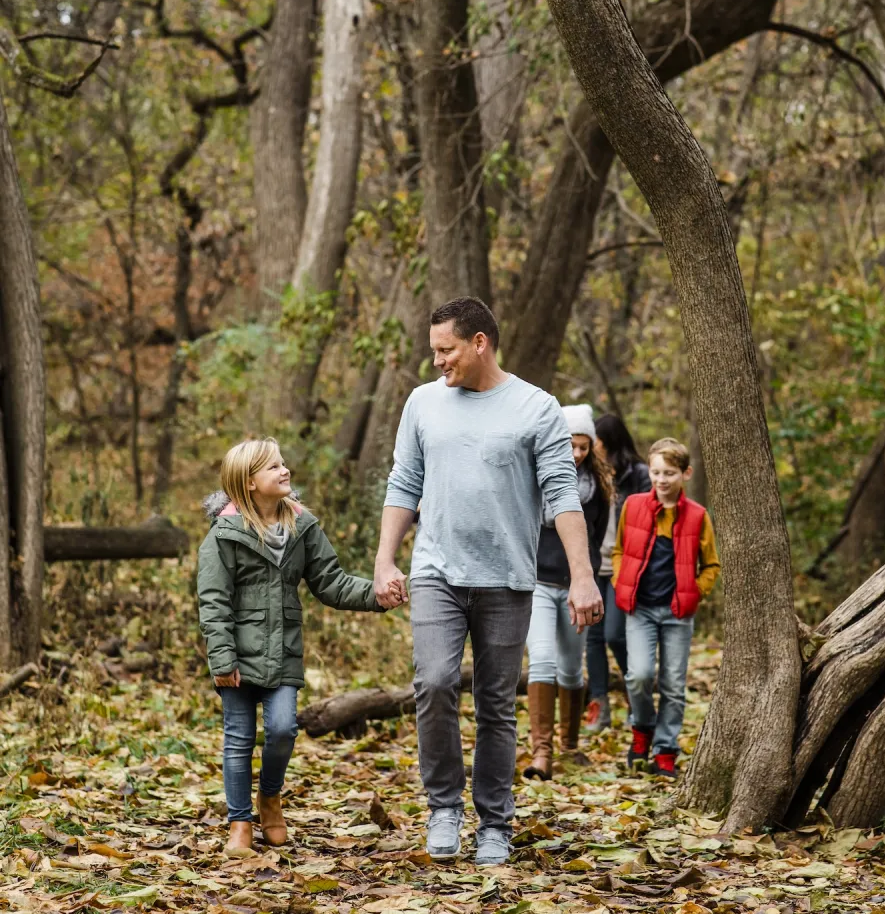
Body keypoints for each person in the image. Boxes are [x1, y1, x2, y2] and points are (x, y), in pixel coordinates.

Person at [375, 296, 603, 866]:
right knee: (433, 682)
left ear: (480, 343)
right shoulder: (424, 403)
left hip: (506, 577)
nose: (437, 362)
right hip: (436, 572)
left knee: (498, 703)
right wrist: (384, 559)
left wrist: (583, 577)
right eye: (433, 351)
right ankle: (444, 807)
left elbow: (560, 495)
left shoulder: (536, 407)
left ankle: (495, 819)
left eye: (446, 350)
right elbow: (404, 482)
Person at [197, 438, 393, 856]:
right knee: (238, 738)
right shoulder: (224, 535)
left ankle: (270, 797)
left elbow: (331, 582)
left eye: (283, 464)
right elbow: (213, 600)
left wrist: (377, 594)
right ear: (248, 483)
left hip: (283, 651)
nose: (285, 471)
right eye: (273, 468)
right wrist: (222, 657)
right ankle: (239, 824)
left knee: (284, 728)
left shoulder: (303, 527)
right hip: (236, 657)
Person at [611, 437, 720, 777]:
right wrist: (620, 581)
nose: (661, 480)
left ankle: (665, 749)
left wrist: (694, 593)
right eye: (656, 472)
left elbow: (712, 566)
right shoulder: (633, 506)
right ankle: (642, 729)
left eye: (670, 473)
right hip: (639, 609)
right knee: (639, 675)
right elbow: (618, 550)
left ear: (685, 474)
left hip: (677, 614)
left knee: (672, 683)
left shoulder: (698, 516)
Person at [523, 404, 614, 781]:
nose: (576, 454)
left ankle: (570, 747)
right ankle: (541, 753)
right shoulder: (534, 479)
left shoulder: (598, 489)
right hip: (538, 584)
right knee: (542, 659)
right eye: (569, 446)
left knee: (572, 669)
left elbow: (595, 539)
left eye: (582, 447)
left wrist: (589, 581)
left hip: (577, 589)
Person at [584, 413, 651, 733]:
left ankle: (635, 696)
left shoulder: (637, 475)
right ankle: (600, 705)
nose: (590, 448)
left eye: (594, 442)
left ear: (608, 441)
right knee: (593, 638)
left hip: (623, 566)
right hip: (593, 566)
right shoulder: (589, 475)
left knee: (614, 634)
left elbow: (651, 518)